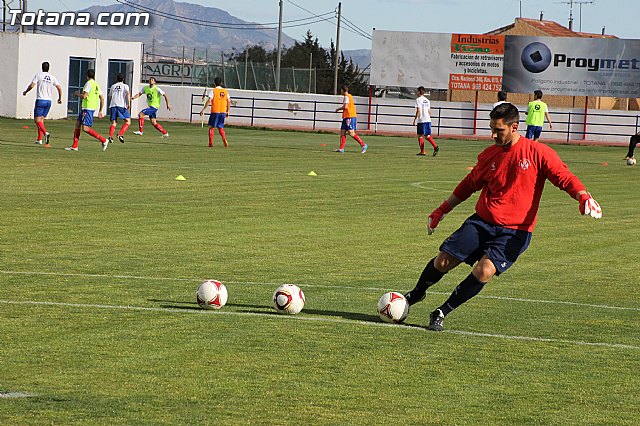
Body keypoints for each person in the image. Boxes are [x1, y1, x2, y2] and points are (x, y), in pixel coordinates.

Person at [403, 102, 602, 332]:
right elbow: (469, 185)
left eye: (499, 130)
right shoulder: (490, 155)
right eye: (492, 129)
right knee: (443, 261)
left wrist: (582, 196)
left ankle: (441, 312)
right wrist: (441, 210)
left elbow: (563, 177)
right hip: (482, 222)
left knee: (484, 271)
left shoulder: (538, 153)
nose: (493, 134)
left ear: (514, 127)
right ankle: (416, 294)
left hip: (515, 231)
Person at [65, 69, 109, 152]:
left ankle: (103, 140)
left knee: (85, 128)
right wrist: (100, 110)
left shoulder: (88, 84)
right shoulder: (96, 84)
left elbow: (84, 96)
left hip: (88, 108)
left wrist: (77, 94)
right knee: (77, 124)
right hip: (87, 108)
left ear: (87, 76)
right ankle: (74, 146)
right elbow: (102, 98)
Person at [22, 61, 63, 147]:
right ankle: (39, 139)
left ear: (42, 67)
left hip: (40, 100)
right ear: (48, 68)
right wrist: (60, 98)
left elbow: (32, 85)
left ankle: (46, 133)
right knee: (41, 121)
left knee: (37, 120)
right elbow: (59, 88)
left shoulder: (39, 75)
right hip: (49, 101)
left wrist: (26, 91)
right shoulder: (52, 77)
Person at [335, 84, 367, 153]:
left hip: (350, 116)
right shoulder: (348, 96)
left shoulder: (347, 97)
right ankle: (341, 148)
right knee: (342, 132)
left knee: (351, 133)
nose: (340, 91)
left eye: (341, 90)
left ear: (343, 90)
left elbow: (346, 107)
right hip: (346, 117)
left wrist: (338, 109)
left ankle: (363, 145)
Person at [199, 77, 230, 148]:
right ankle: (224, 139)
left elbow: (209, 100)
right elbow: (228, 101)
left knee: (211, 127)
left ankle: (210, 143)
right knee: (220, 127)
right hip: (223, 111)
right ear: (221, 83)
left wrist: (203, 110)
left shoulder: (213, 91)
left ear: (214, 83)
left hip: (215, 111)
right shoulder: (225, 91)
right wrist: (227, 111)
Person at [412, 86, 439, 156]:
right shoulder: (427, 100)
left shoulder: (418, 100)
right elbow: (429, 111)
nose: (416, 92)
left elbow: (418, 110)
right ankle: (435, 147)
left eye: (417, 91)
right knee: (427, 136)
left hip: (422, 120)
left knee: (420, 136)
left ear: (419, 92)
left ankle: (423, 152)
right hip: (428, 120)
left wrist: (415, 120)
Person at [107, 73, 131, 144]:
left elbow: (110, 97)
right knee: (128, 121)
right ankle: (120, 134)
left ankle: (110, 137)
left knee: (114, 122)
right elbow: (128, 94)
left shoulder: (113, 86)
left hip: (113, 105)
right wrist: (129, 103)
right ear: (123, 79)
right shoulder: (125, 86)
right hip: (121, 105)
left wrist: (111, 104)